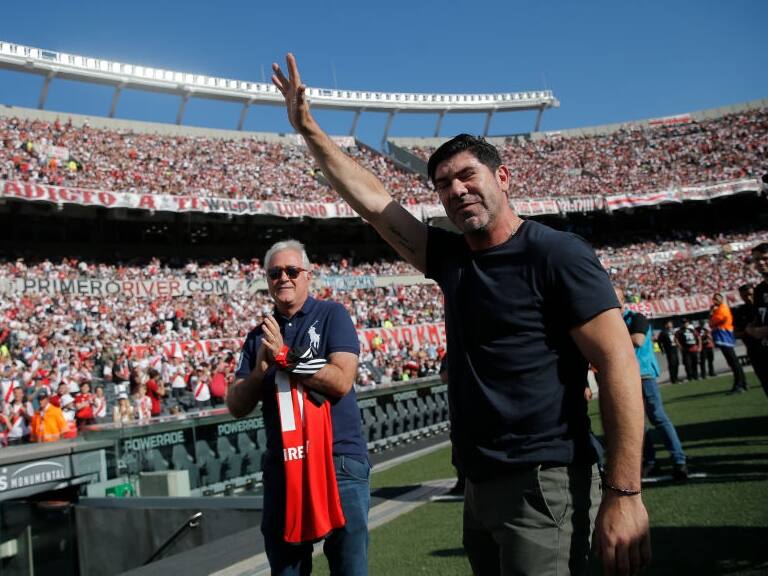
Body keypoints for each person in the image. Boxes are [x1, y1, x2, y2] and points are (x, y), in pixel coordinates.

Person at [271, 54, 650, 576]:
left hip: (544, 480)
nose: (456, 190)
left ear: (503, 177)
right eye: (444, 185)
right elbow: (376, 205)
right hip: (478, 482)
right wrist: (309, 129)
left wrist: (624, 491)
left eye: (467, 175)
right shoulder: (452, 261)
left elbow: (617, 364)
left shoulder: (557, 254)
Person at [227, 240, 370, 575]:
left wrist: (285, 358)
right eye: (275, 272)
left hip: (338, 459)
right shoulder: (257, 337)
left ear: (308, 276)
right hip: (283, 465)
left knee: (350, 567)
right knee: (287, 568)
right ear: (266, 279)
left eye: (292, 271)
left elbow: (341, 381)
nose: (284, 278)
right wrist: (260, 372)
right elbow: (235, 404)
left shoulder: (332, 314)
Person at [616, 289, 688, 481]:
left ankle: (679, 460)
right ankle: (650, 462)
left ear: (623, 301)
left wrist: (608, 339)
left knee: (657, 417)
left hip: (643, 375)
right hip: (625, 378)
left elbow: (638, 340)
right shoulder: (615, 323)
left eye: (615, 299)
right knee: (638, 423)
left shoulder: (637, 317)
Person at [709, 293, 748, 394]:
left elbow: (719, 320)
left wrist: (713, 317)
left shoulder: (722, 309)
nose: (715, 301)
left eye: (717, 299)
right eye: (714, 299)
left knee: (733, 361)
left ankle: (739, 384)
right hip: (722, 336)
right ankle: (742, 383)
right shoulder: (718, 310)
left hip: (724, 336)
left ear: (721, 299)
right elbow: (712, 322)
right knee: (733, 361)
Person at [746, 243, 768, 397]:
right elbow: (757, 319)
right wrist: (751, 329)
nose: (760, 263)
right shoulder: (759, 290)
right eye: (756, 260)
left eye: (765, 258)